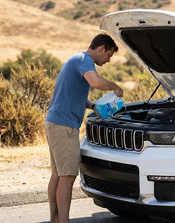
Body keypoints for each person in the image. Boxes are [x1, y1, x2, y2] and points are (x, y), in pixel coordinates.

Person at [44, 33, 123, 223]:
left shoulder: (76, 59)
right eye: (109, 55)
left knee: (57, 175)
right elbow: (95, 82)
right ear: (101, 48)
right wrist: (114, 86)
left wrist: (94, 106)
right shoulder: (84, 60)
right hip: (64, 126)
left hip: (54, 123)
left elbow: (73, 94)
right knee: (68, 177)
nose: (108, 60)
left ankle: (55, 220)